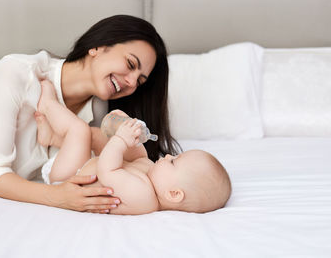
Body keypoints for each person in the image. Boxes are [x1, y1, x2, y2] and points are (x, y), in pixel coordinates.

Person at [0, 15, 179, 213]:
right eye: (130, 64)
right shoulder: (16, 73)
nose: (131, 82)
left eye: (139, 81)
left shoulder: (99, 114)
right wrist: (58, 197)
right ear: (98, 46)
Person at [36, 79, 231, 214]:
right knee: (93, 136)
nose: (169, 155)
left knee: (79, 130)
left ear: (173, 194)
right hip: (82, 165)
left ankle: (47, 104)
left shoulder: (143, 198)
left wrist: (121, 141)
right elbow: (136, 159)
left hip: (65, 179)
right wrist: (132, 134)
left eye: (173, 162)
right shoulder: (149, 175)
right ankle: (52, 137)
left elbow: (108, 170)